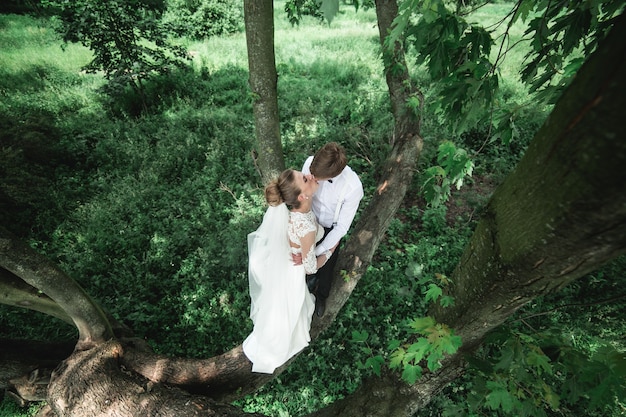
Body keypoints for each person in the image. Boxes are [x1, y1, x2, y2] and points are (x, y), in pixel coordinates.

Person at [243, 169, 332, 374]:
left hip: (289, 261)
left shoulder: (297, 210)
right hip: (294, 272)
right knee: (288, 318)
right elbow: (310, 267)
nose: (310, 175)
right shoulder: (305, 226)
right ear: (302, 196)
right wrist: (329, 250)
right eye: (305, 178)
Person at [302, 142, 364, 317]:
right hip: (308, 220)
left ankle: (321, 296)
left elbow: (342, 227)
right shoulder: (309, 163)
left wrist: (320, 251)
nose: (312, 178)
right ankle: (305, 285)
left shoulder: (353, 187)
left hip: (332, 229)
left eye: (317, 177)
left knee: (327, 266)